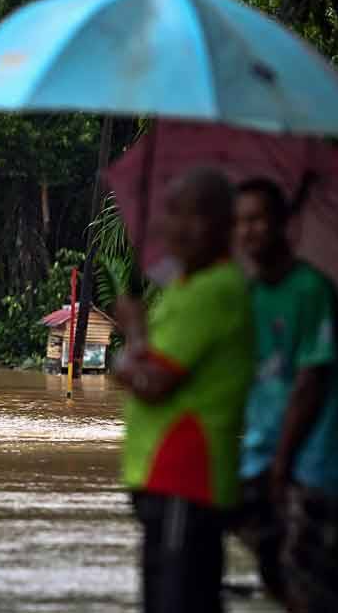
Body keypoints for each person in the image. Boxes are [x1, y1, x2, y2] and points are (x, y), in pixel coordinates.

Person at [114, 167, 255, 613]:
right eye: (172, 213)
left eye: (193, 216)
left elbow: (152, 382)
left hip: (184, 475)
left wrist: (132, 338)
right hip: (171, 476)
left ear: (223, 226)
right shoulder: (187, 287)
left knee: (175, 601)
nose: (177, 227)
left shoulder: (210, 292)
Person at [234, 178, 338, 612]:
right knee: (277, 576)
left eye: (259, 219)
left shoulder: (313, 290)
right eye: (242, 221)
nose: (249, 230)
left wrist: (282, 463)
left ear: (283, 224)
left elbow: (311, 382)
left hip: (307, 466)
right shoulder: (251, 295)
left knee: (311, 583)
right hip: (261, 462)